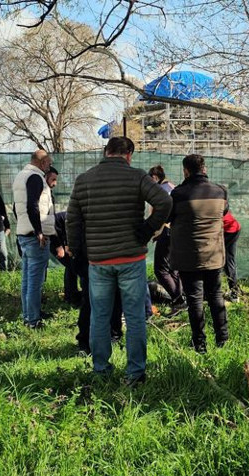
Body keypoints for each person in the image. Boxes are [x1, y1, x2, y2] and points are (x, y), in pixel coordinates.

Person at [67, 136, 172, 385]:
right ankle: (136, 373)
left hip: (99, 261)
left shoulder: (84, 180)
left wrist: (77, 250)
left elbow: (72, 219)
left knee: (99, 317)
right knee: (135, 318)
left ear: (106, 152)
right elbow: (165, 201)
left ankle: (101, 370)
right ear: (129, 155)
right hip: (131, 258)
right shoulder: (137, 177)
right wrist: (147, 229)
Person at [169, 154, 229, 353]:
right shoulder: (220, 191)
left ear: (185, 171)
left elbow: (168, 217)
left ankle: (200, 344)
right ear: (204, 168)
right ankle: (223, 340)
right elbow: (224, 212)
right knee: (216, 296)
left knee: (194, 299)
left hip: (189, 257)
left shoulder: (178, 194)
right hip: (215, 254)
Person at [12, 150, 56, 328]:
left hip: (24, 232)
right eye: (48, 163)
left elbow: (16, 207)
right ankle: (33, 320)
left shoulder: (21, 176)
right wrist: (38, 231)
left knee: (27, 280)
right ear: (43, 162)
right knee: (35, 282)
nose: (49, 167)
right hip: (35, 236)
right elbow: (32, 205)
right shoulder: (35, 177)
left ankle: (29, 314)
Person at [148, 165, 186, 316]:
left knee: (160, 269)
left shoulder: (161, 190)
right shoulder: (172, 186)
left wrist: (155, 232)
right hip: (177, 231)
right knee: (173, 268)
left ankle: (178, 301)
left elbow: (160, 215)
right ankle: (181, 299)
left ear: (155, 178)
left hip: (167, 231)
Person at [51, 211, 82, 306]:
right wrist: (61, 246)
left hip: (57, 235)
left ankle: (71, 295)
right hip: (54, 237)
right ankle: (71, 296)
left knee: (71, 266)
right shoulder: (76, 219)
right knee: (72, 266)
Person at [223, 209, 242, 301]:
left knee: (227, 261)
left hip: (229, 231)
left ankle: (234, 292)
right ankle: (234, 291)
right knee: (229, 260)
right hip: (233, 228)